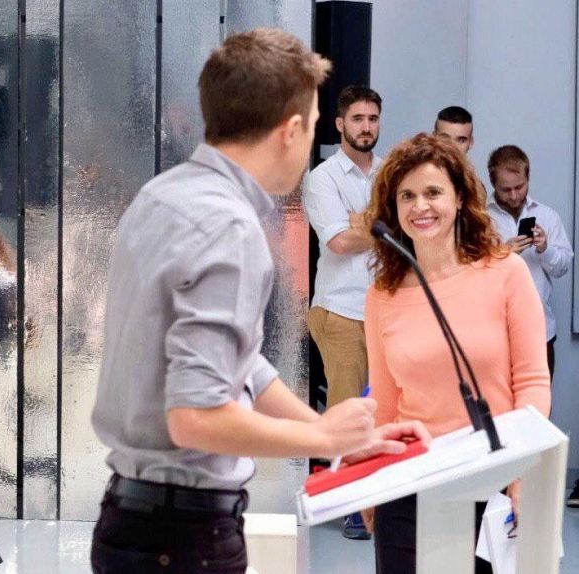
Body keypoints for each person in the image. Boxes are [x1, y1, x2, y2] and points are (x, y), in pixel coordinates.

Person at [89, 29, 428, 574]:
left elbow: (239, 362)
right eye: (313, 124)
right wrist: (319, 436)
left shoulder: (162, 195)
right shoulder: (228, 225)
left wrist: (329, 434)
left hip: (138, 521)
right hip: (182, 537)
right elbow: (196, 417)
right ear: (290, 130)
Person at [363, 133, 551, 574]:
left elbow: (531, 382)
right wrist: (372, 482)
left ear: (460, 198)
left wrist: (520, 472)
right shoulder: (382, 296)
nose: (420, 206)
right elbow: (384, 403)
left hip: (493, 478)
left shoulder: (506, 272)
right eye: (407, 196)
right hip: (408, 484)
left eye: (433, 192)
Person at [302, 84, 383, 540]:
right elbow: (338, 241)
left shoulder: (390, 172)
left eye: (372, 119)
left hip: (386, 309)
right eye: (358, 119)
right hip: (341, 310)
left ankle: (376, 499)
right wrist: (387, 227)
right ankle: (351, 504)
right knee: (349, 409)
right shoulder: (324, 178)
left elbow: (415, 227)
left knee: (384, 408)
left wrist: (363, 223)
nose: (366, 127)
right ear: (340, 124)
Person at [484, 145, 579, 508]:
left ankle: (529, 491)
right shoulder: (481, 218)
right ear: (493, 183)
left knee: (535, 413)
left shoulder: (548, 216)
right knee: (497, 410)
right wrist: (501, 252)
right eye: (505, 189)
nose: (513, 196)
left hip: (540, 332)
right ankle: (497, 490)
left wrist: (544, 249)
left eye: (519, 187)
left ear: (528, 179)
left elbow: (563, 266)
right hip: (494, 333)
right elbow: (468, 268)